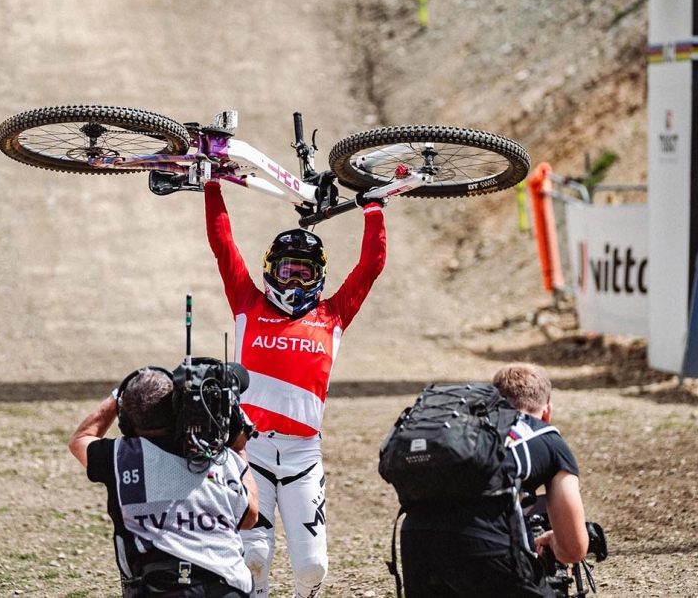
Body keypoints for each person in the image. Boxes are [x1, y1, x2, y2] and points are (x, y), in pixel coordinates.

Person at [204, 179, 387, 598]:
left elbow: (371, 265)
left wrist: (374, 210)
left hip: (304, 455)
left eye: (304, 273)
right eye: (287, 270)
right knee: (253, 558)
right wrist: (213, 184)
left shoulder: (334, 314)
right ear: (271, 270)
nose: (294, 281)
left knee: (312, 567)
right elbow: (223, 244)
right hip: (252, 452)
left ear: (319, 277)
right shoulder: (248, 305)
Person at [398, 363, 588, 598]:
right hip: (486, 547)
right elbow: (573, 548)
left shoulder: (462, 433)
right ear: (547, 412)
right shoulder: (547, 438)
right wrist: (555, 543)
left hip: (417, 545)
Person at [70, 367, 260, 598]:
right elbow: (250, 518)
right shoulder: (218, 456)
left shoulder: (119, 457)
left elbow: (81, 438)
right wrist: (238, 449)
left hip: (158, 589)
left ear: (127, 420)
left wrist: (117, 396)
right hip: (228, 587)